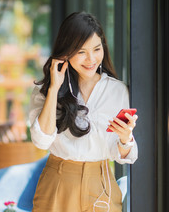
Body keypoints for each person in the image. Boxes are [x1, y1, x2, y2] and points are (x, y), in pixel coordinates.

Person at [29, 11, 138, 212]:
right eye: (81, 51)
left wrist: (125, 139)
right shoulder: (45, 91)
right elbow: (41, 140)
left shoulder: (118, 91)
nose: (91, 59)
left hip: (101, 182)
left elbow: (123, 154)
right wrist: (54, 88)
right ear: (66, 52)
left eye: (97, 49)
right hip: (58, 182)